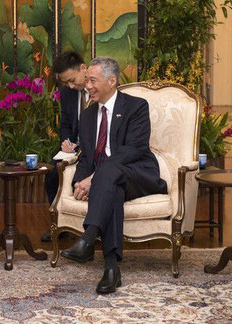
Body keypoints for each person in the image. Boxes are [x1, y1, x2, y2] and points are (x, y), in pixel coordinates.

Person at [60, 57, 167, 294]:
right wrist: (80, 180)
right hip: (111, 182)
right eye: (86, 80)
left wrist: (94, 178)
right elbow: (87, 157)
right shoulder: (87, 116)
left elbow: (134, 149)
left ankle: (88, 238)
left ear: (111, 81)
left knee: (108, 171)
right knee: (111, 189)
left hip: (138, 175)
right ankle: (111, 269)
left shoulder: (136, 106)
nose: (87, 86)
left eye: (93, 81)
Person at [41, 51, 88, 242]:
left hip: (92, 149)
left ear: (83, 69)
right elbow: (67, 125)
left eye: (71, 80)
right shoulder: (67, 94)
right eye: (65, 82)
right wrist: (67, 143)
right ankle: (58, 224)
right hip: (73, 149)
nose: (69, 85)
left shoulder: (99, 91)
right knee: (51, 172)